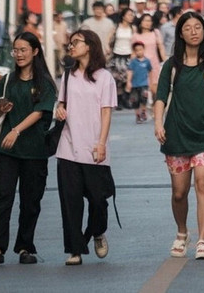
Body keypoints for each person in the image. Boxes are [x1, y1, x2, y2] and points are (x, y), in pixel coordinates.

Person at [154, 10, 204, 260]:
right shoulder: (171, 65)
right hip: (175, 135)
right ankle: (181, 232)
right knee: (179, 192)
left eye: (197, 27)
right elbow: (160, 97)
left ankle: (202, 240)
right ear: (180, 34)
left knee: (202, 184)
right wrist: (158, 123)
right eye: (187, 28)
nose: (193, 32)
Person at [0, 31, 56, 265]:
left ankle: (25, 247)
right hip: (8, 151)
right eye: (16, 50)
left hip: (34, 150)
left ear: (35, 51)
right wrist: (2, 109)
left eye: (23, 50)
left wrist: (16, 130)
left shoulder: (45, 83)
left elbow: (40, 112)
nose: (19, 54)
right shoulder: (8, 80)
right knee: (2, 196)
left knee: (31, 200)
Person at [54, 29, 117, 266]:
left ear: (89, 45)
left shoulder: (104, 78)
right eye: (70, 43)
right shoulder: (68, 76)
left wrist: (101, 143)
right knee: (70, 202)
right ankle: (75, 249)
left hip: (94, 148)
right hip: (68, 147)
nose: (71, 46)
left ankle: (98, 231)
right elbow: (61, 104)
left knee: (98, 200)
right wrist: (58, 110)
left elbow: (106, 112)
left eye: (76, 42)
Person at [133, 13, 166, 99]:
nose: (148, 23)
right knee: (143, 92)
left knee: (155, 90)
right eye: (146, 20)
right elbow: (133, 52)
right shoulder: (136, 35)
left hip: (154, 64)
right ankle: (143, 111)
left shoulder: (155, 33)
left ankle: (155, 111)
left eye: (150, 21)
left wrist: (165, 61)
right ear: (141, 22)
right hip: (141, 66)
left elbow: (161, 47)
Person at [108, 7, 136, 108]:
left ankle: (126, 99)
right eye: (129, 14)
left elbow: (135, 42)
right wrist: (108, 49)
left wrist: (134, 54)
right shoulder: (116, 27)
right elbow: (109, 39)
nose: (131, 17)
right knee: (117, 79)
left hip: (128, 55)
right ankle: (118, 101)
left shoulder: (133, 29)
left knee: (127, 78)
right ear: (123, 16)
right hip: (117, 55)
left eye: (132, 15)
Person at [126, 41, 153, 123]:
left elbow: (150, 71)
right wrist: (128, 82)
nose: (139, 51)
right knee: (135, 101)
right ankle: (137, 116)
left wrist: (150, 82)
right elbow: (130, 72)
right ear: (134, 51)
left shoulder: (147, 61)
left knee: (144, 98)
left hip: (144, 84)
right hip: (135, 84)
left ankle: (143, 112)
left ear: (143, 49)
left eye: (140, 49)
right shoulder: (133, 62)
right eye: (137, 50)